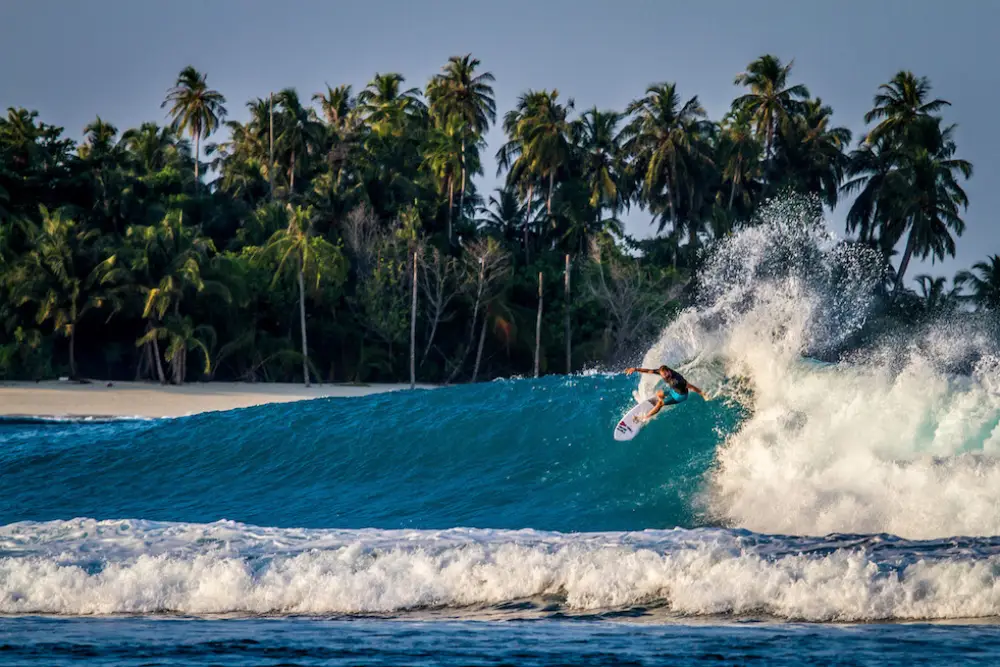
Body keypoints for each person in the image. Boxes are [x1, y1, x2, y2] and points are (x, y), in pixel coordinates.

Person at [625, 364, 705, 422]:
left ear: (669, 371)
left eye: (666, 375)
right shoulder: (662, 372)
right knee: (658, 394)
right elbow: (648, 371)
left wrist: (702, 394)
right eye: (663, 376)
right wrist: (635, 369)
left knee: (660, 403)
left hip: (680, 396)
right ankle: (658, 404)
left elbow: (691, 387)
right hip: (673, 390)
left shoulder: (678, 380)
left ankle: (644, 418)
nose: (665, 377)